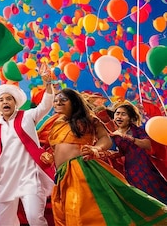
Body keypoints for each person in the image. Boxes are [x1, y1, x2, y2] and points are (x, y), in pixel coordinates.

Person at [48, 88, 167, 225]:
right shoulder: (55, 124)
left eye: (63, 100)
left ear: (74, 102)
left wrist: (95, 148)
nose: (58, 103)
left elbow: (105, 139)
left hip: (81, 169)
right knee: (72, 211)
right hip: (63, 173)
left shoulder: (89, 119)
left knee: (88, 210)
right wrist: (50, 155)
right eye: (56, 100)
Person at [0, 64, 55, 226]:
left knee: (35, 219)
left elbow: (45, 105)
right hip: (5, 182)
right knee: (5, 223)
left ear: (15, 102)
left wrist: (48, 83)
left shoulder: (28, 116)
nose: (5, 102)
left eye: (8, 98)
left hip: (30, 179)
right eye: (1, 100)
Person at [110, 101, 167, 204]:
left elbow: (147, 145)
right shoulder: (114, 135)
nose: (119, 117)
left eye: (123, 114)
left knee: (157, 190)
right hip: (131, 170)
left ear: (131, 118)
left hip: (145, 165)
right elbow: (120, 152)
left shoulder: (137, 131)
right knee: (143, 197)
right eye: (117, 113)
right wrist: (106, 154)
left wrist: (129, 138)